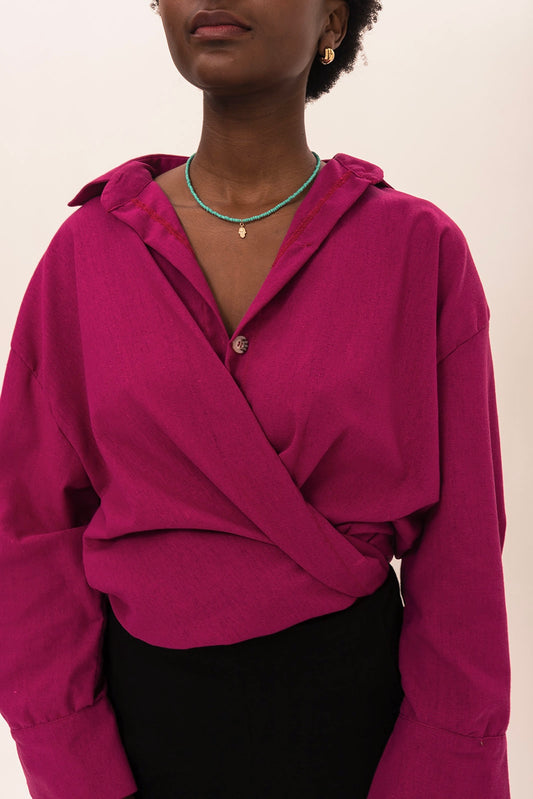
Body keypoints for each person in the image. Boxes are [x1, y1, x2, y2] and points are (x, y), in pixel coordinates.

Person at [0, 1, 511, 798]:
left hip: (361, 737)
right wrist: (72, 761)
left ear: (333, 22)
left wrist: (441, 764)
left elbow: (463, 555)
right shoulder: (86, 254)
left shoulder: (417, 250)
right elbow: (29, 531)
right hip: (132, 742)